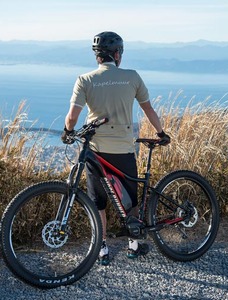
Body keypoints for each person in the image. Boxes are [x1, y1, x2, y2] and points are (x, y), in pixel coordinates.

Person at [61, 31, 170, 265]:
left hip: (96, 150)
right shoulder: (132, 77)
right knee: (130, 200)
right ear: (117, 54)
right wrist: (161, 133)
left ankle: (102, 249)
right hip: (124, 149)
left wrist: (68, 133)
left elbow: (71, 118)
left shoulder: (85, 80)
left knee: (97, 201)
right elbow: (148, 109)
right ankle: (134, 245)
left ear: (97, 56)